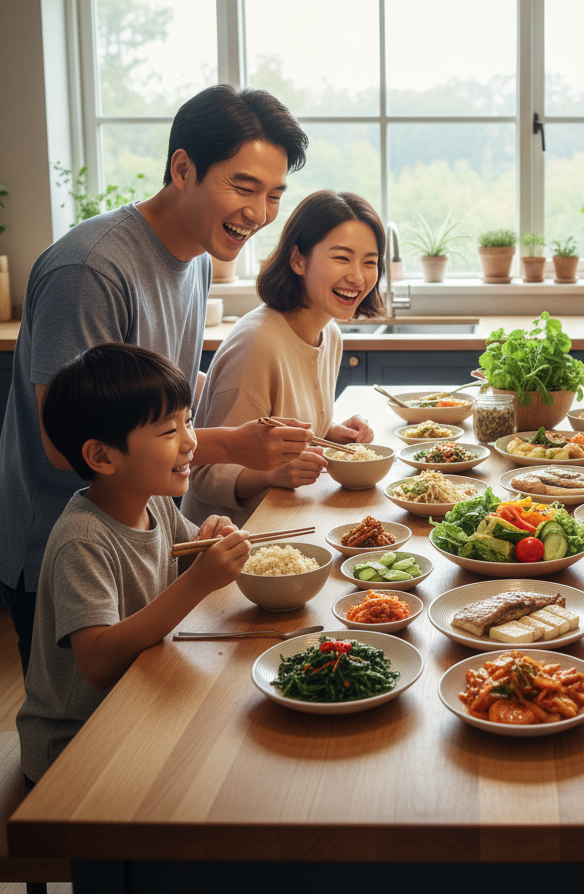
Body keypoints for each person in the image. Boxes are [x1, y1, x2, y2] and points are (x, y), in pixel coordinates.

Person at [0, 85, 313, 675]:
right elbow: (61, 441)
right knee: (83, 738)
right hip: (63, 546)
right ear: (182, 167)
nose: (260, 213)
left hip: (145, 531)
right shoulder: (90, 269)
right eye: (243, 187)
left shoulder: (195, 258)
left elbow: (159, 382)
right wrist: (234, 442)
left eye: (273, 195)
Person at [16, 344, 251, 785]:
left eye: (190, 421)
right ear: (102, 457)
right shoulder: (82, 541)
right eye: (168, 432)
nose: (190, 441)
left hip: (137, 693)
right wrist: (199, 582)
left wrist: (208, 539)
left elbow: (182, 561)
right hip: (75, 741)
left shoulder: (156, 503)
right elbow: (99, 663)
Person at [182, 190, 383, 527]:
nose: (358, 277)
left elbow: (275, 424)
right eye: (342, 257)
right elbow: (202, 474)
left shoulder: (329, 333)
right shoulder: (258, 343)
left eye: (369, 261)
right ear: (298, 260)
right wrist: (271, 474)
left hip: (287, 524)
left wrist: (329, 432)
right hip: (228, 547)